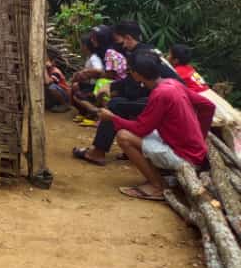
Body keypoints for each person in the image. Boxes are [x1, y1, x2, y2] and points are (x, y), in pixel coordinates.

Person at [100, 50, 215, 201]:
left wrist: (112, 118)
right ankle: (163, 176)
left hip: (184, 157)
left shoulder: (160, 94)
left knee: (124, 137)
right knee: (143, 131)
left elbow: (140, 128)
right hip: (195, 152)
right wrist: (200, 135)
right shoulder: (173, 84)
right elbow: (208, 106)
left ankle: (157, 186)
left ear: (137, 74)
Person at [73, 20, 181, 166]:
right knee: (124, 102)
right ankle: (132, 146)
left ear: (128, 38)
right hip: (172, 98)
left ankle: (97, 152)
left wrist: (111, 89)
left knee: (116, 105)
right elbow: (133, 82)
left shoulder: (138, 56)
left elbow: (133, 87)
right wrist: (112, 87)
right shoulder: (149, 50)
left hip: (166, 101)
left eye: (120, 41)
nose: (120, 45)